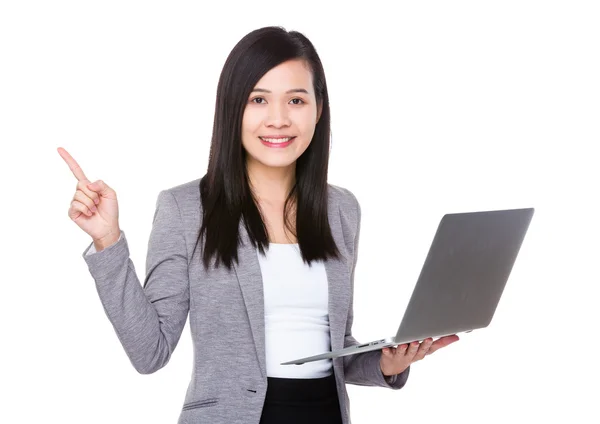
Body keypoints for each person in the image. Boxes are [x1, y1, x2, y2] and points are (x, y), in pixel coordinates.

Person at [58, 26, 458, 424]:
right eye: (259, 99)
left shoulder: (341, 210)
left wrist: (387, 363)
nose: (279, 119)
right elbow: (150, 352)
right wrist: (108, 241)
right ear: (233, 109)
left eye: (296, 100)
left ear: (319, 109)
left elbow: (335, 349)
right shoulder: (184, 209)